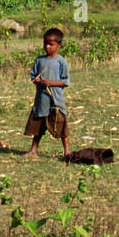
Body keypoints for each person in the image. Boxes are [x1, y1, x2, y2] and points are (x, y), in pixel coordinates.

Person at [24, 27, 72, 159]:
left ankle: (67, 151)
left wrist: (50, 83)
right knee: (38, 126)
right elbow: (33, 76)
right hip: (41, 100)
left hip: (55, 100)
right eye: (45, 43)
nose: (47, 47)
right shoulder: (39, 60)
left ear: (59, 45)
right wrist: (37, 81)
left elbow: (65, 82)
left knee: (61, 125)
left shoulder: (61, 62)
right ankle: (33, 150)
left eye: (51, 44)